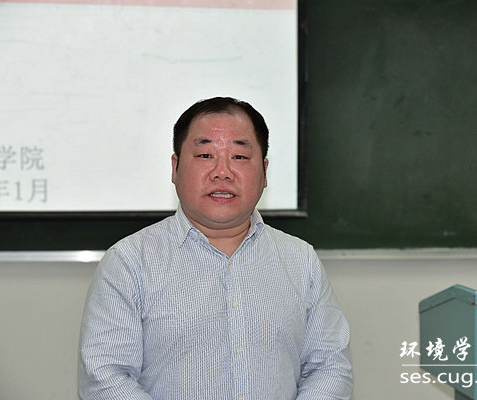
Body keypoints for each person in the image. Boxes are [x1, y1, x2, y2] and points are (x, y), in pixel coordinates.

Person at [78, 97, 353, 399]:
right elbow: (105, 377)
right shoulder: (129, 261)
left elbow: (329, 366)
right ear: (175, 168)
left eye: (239, 156)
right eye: (205, 155)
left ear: (264, 172)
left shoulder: (300, 260)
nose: (222, 172)